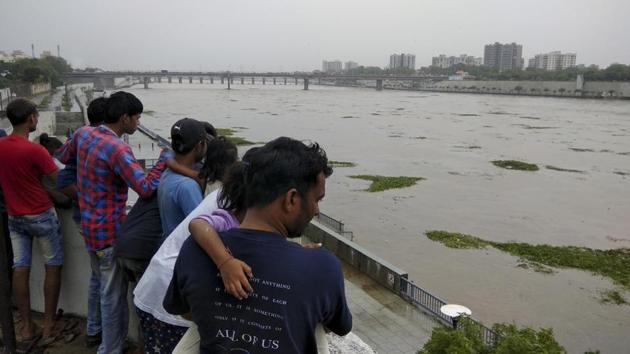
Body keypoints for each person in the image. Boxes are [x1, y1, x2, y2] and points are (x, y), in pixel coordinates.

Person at [164, 137, 352, 354]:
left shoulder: (196, 249)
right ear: (291, 199)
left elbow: (182, 310)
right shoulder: (322, 266)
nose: (316, 211)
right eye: (317, 200)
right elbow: (339, 326)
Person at [56, 91, 172, 354]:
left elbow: (63, 157)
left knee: (101, 286)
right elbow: (143, 187)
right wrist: (163, 161)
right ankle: (109, 349)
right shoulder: (118, 148)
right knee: (113, 296)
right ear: (124, 118)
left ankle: (96, 335)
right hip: (108, 234)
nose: (139, 123)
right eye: (137, 117)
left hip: (88, 226)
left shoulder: (84, 134)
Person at [134, 135, 240, 354]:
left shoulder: (219, 194)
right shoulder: (226, 207)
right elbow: (198, 227)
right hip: (171, 292)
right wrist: (226, 261)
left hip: (159, 283)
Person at [0, 98, 64, 342]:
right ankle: (48, 326)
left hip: (15, 216)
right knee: (53, 266)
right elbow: (61, 181)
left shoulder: (1, 146)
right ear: (31, 119)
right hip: (41, 215)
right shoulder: (35, 150)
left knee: (20, 267)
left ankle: (26, 327)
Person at [55, 96, 107, 347]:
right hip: (97, 223)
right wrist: (90, 200)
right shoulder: (98, 144)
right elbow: (63, 182)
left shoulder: (81, 140)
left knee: (99, 278)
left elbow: (62, 165)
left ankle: (95, 331)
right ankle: (101, 334)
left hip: (86, 221)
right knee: (105, 281)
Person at [157, 118, 208, 238]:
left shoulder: (167, 174)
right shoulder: (187, 186)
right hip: (182, 251)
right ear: (199, 146)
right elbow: (203, 229)